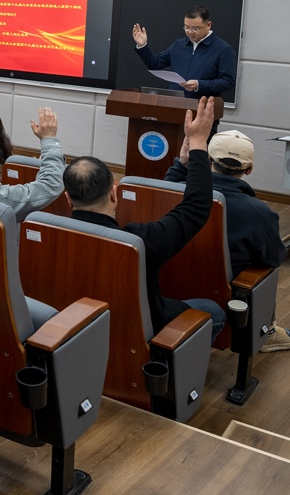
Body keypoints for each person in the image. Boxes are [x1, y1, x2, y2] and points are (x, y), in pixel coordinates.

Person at [64, 96, 226, 337]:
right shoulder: (137, 241)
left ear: (68, 199)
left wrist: (182, 165)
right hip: (139, 332)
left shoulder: (50, 234)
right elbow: (197, 207)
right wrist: (198, 143)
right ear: (114, 193)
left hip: (74, 328)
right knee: (213, 310)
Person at [165, 129, 290, 352]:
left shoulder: (172, 193)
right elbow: (274, 258)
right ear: (249, 169)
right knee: (263, 273)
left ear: (207, 159)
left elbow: (166, 188)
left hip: (166, 288)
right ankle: (266, 332)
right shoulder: (258, 212)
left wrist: (182, 165)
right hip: (223, 299)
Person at [133, 6, 237, 100]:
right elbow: (155, 64)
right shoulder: (179, 45)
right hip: (174, 104)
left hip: (201, 107)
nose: (190, 32)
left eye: (195, 28)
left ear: (208, 25)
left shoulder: (223, 49)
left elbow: (227, 82)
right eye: (186, 27)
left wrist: (199, 85)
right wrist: (143, 45)